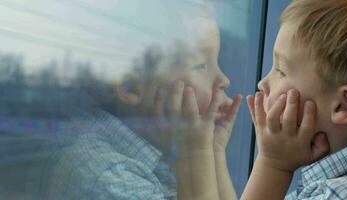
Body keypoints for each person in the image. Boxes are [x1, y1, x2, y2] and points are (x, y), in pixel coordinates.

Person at [41, 1, 242, 199]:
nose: (224, 80)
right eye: (200, 65)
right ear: (130, 86)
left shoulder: (152, 153)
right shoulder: (111, 178)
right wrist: (195, 151)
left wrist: (214, 152)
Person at [241, 0, 347, 199]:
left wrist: (273, 164)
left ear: (343, 106)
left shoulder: (336, 195)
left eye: (280, 70)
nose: (262, 83)